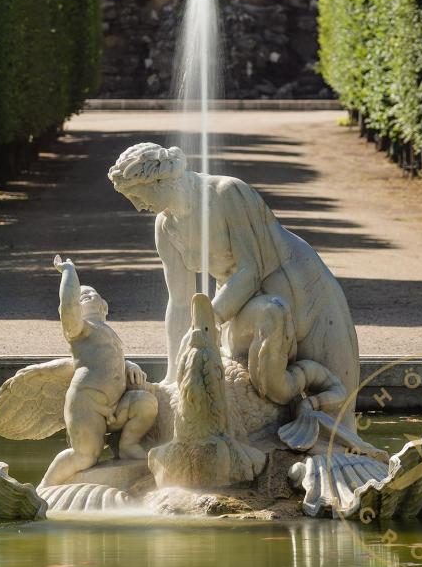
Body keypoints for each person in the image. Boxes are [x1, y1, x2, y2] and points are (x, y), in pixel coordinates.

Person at [108, 142, 360, 425]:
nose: (138, 206)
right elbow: (179, 301)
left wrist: (208, 319)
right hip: (246, 304)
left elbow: (250, 269)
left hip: (304, 292)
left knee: (338, 412)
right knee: (266, 400)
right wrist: (172, 374)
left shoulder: (226, 193)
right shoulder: (166, 227)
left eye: (135, 195)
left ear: (156, 180)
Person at [38, 256, 158, 488]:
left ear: (104, 306)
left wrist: (128, 366)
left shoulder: (108, 331)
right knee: (85, 456)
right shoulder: (81, 330)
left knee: (147, 402)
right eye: (82, 296)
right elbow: (69, 307)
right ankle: (45, 488)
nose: (87, 295)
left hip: (116, 404)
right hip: (87, 403)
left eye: (91, 293)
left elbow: (108, 360)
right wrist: (69, 272)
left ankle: (128, 445)